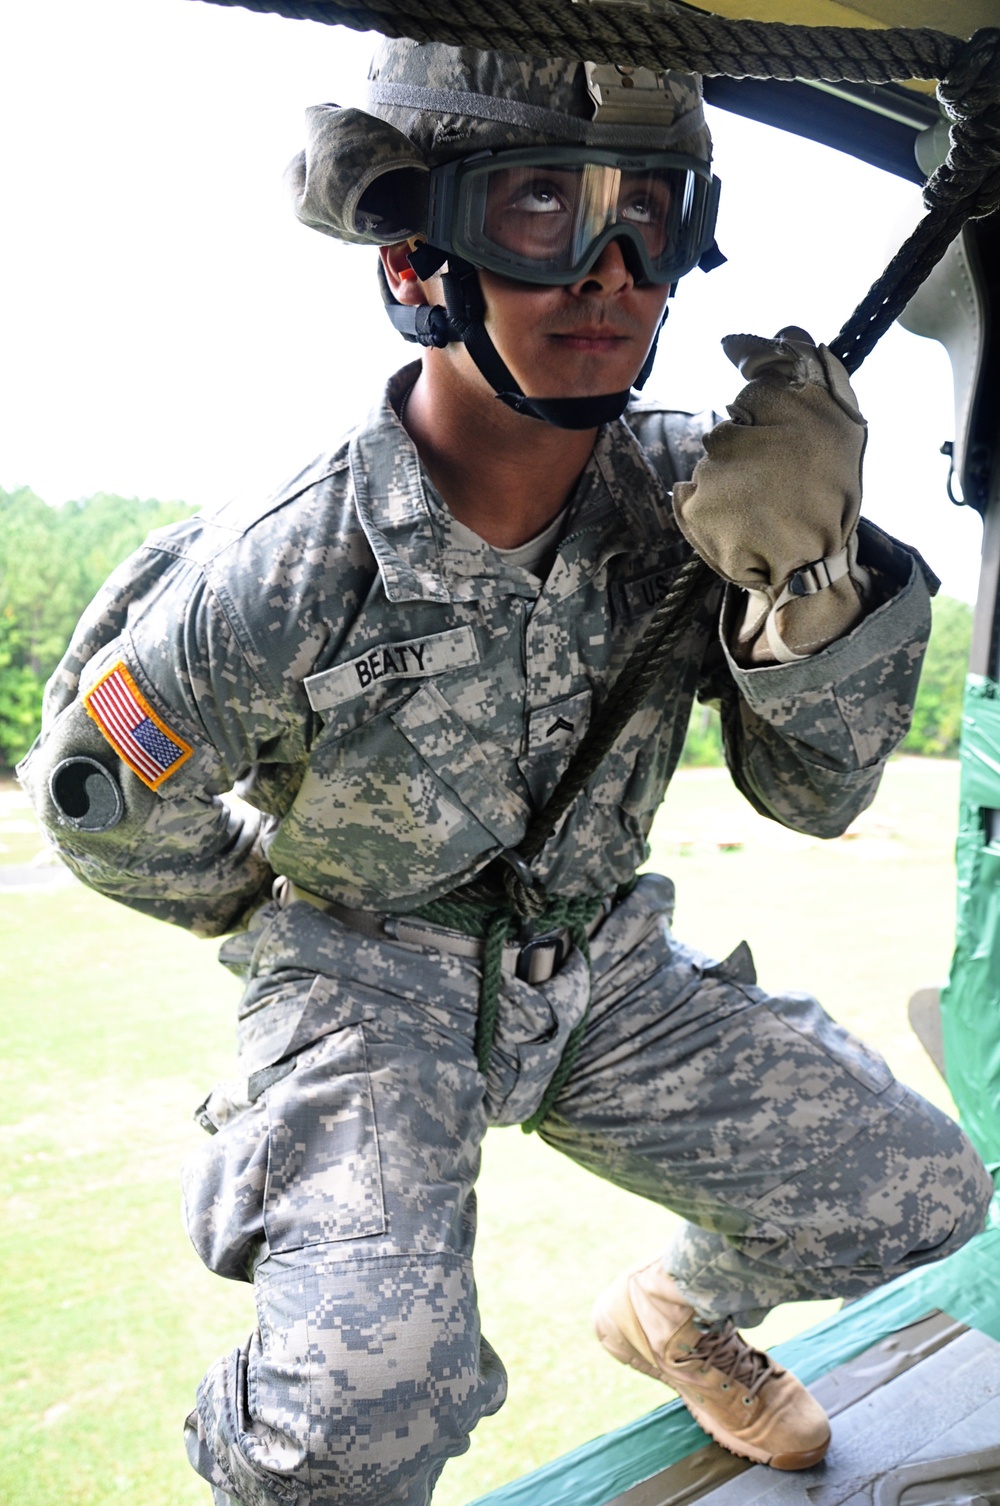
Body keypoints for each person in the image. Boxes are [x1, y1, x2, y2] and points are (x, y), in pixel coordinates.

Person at [17, 35, 992, 1506]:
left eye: (646, 218)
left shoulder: (702, 496)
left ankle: (672, 1310)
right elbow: (100, 802)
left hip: (604, 970)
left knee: (920, 1191)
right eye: (541, 207)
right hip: (364, 975)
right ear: (420, 258)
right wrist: (272, 916)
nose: (609, 271)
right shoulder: (286, 567)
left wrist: (812, 578)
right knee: (357, 1412)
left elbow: (816, 797)